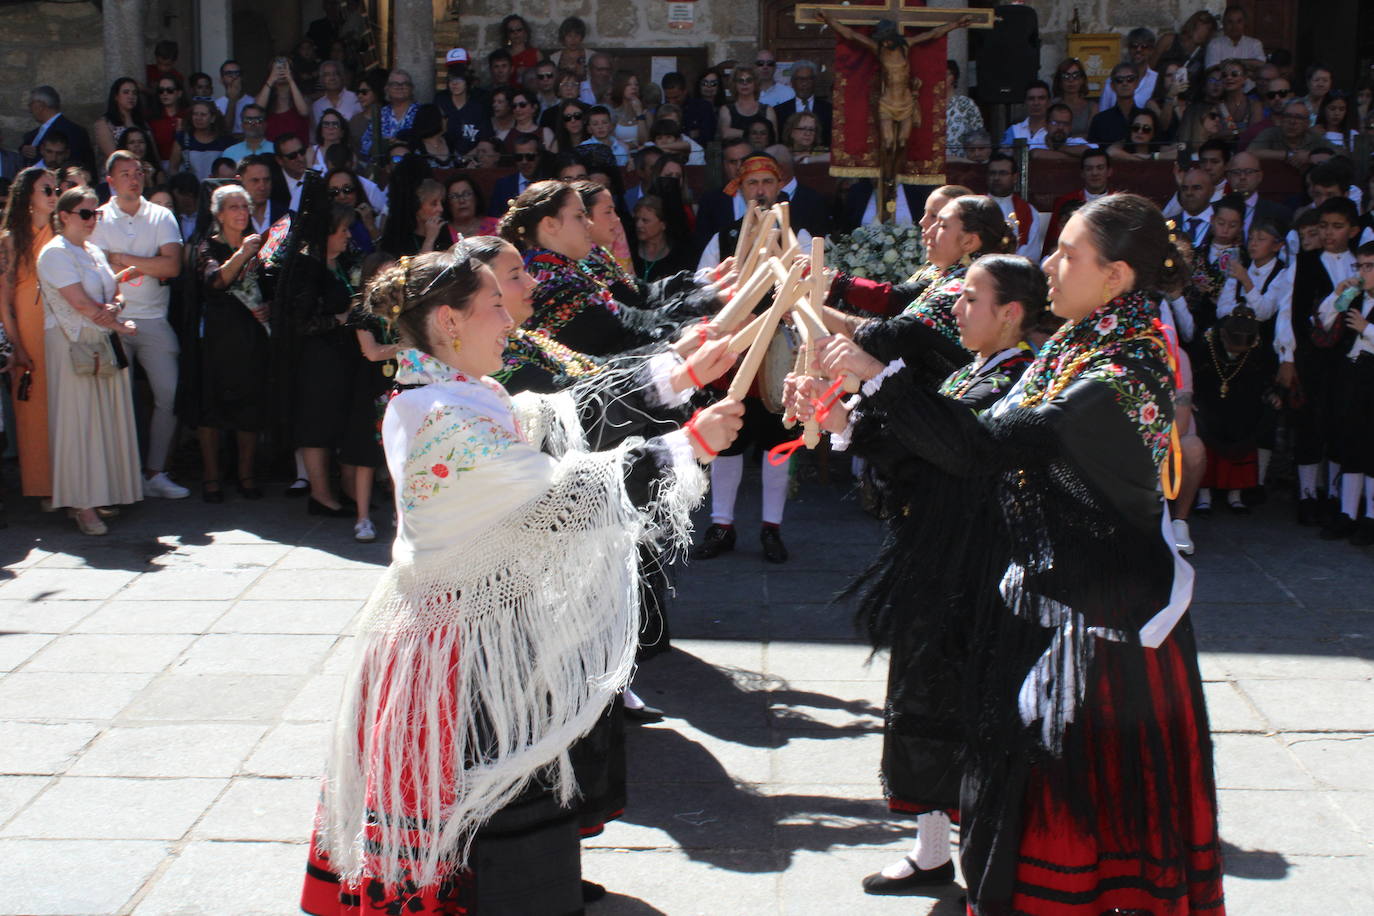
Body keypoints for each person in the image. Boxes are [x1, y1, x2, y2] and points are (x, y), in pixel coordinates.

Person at [300, 247, 742, 916]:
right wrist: (687, 446)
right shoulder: (441, 418)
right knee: (489, 821)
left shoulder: (455, 395)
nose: (511, 321)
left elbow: (556, 416)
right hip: (458, 661)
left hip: (476, 640)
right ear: (449, 321)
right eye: (495, 308)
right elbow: (561, 497)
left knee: (501, 818)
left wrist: (671, 377)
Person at [813, 193, 1221, 915]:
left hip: (1100, 630)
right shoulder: (1077, 344)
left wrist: (879, 376)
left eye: (1068, 254)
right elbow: (974, 433)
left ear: (1117, 277)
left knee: (1075, 831)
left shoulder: (1119, 372)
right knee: (1013, 812)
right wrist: (863, 403)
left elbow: (986, 449)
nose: (1050, 265)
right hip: (1046, 603)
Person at [799, 255, 1045, 895]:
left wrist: (876, 376)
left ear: (1011, 314)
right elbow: (919, 459)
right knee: (926, 701)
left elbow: (962, 452)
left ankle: (986, 859)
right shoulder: (974, 372)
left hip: (982, 571)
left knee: (965, 707)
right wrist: (843, 423)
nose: (955, 310)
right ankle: (931, 849)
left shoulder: (1023, 379)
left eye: (970, 300)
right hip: (942, 564)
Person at [36, 186, 143, 534]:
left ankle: (98, 495)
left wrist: (116, 308)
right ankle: (81, 504)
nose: (92, 220)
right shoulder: (54, 253)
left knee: (102, 421)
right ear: (63, 216)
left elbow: (113, 291)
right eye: (85, 213)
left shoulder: (94, 251)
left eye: (95, 213)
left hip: (100, 341)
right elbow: (79, 303)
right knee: (78, 423)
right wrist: (119, 324)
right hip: (72, 343)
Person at [89, 150, 189, 499]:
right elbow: (96, 273)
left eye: (138, 171)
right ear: (111, 181)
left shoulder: (161, 215)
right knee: (117, 401)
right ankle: (122, 476)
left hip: (153, 319)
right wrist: (149, 263)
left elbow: (172, 268)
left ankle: (155, 472)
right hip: (110, 320)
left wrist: (122, 259)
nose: (134, 178)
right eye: (126, 173)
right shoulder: (97, 217)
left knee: (169, 393)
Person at [185, 185, 270, 503]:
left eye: (244, 207)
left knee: (249, 406)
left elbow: (272, 287)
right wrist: (244, 252)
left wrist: (269, 306)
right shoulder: (208, 246)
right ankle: (211, 477)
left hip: (250, 337)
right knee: (212, 408)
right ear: (219, 214)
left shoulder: (261, 248)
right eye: (233, 207)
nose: (240, 213)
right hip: (217, 338)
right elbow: (215, 281)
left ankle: (246, 474)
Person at [1282, 197, 1361, 524]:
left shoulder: (1361, 264)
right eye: (1325, 226)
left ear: (1353, 230)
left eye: (1338, 227)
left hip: (1348, 359)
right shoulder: (1305, 261)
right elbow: (1290, 312)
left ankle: (1335, 496)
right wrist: (1287, 355)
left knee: (1341, 424)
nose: (1329, 233)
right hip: (1312, 356)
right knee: (1309, 424)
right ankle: (1307, 494)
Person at [0, 166, 58, 502]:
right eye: (46, 190)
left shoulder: (61, 232)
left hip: (59, 328)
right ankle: (42, 487)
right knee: (33, 411)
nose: (53, 196)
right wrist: (17, 345)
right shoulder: (10, 239)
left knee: (62, 409)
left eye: (55, 189)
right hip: (27, 330)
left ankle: (69, 483)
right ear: (28, 198)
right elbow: (4, 301)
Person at [1315, 240, 1374, 543]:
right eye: (1360, 266)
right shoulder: (1355, 297)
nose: (1363, 273)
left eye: (1370, 267)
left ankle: (1370, 518)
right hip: (1351, 378)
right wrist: (1338, 292)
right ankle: (1347, 513)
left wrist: (1367, 328)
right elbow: (1324, 321)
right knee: (1349, 444)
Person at [1042, 147, 1111, 257]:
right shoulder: (1065, 201)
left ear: (1109, 171)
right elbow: (1053, 241)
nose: (1095, 173)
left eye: (1100, 168)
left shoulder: (1118, 203)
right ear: (1082, 173)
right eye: (1089, 169)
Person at [21, 86, 94, 174]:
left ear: (40, 105)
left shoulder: (73, 131)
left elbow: (76, 164)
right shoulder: (34, 133)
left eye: (31, 104)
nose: (30, 110)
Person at [985, 153, 1042, 260]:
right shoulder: (975, 207)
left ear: (1015, 177)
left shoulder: (1028, 211)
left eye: (1003, 173)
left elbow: (1031, 251)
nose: (996, 178)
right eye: (992, 173)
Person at [631, 194, 696, 284]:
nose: (638, 225)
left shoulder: (680, 255)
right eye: (637, 219)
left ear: (663, 224)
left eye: (645, 220)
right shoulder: (629, 251)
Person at [435, 58, 492, 158]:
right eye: (451, 79)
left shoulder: (478, 107)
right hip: (443, 159)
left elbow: (485, 139)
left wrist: (464, 160)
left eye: (459, 79)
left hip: (471, 162)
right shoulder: (440, 102)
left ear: (467, 82)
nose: (454, 83)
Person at [93, 78, 151, 173]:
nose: (131, 96)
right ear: (116, 96)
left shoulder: (142, 123)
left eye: (134, 93)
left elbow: (152, 153)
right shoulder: (104, 124)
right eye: (126, 92)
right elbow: (114, 157)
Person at [169, 100, 233, 180]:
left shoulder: (225, 141)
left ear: (212, 118)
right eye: (195, 114)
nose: (198, 118)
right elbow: (173, 168)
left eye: (203, 115)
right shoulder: (182, 138)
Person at [772, 61, 832, 146]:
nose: (804, 83)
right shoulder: (779, 111)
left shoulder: (829, 110)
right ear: (792, 82)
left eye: (808, 79)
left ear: (815, 81)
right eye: (800, 79)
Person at [1098, 29, 1159, 110]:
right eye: (1134, 46)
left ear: (1151, 51)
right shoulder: (1114, 80)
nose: (1138, 50)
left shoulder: (1156, 80)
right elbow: (1103, 112)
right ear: (1129, 49)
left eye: (1144, 47)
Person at [255, 56, 311, 143]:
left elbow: (304, 111)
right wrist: (271, 79)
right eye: (277, 68)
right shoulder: (264, 96)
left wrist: (290, 80)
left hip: (297, 153)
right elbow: (257, 112)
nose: (281, 71)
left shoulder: (302, 97)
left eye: (285, 67)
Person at [1156, 10, 1217, 87]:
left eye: (1207, 28)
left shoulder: (1203, 52)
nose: (1202, 32)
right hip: (1161, 91)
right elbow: (1150, 67)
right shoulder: (1169, 40)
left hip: (1187, 95)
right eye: (1200, 25)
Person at [717, 65, 777, 143]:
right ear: (735, 84)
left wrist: (737, 133)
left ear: (755, 84)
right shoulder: (726, 109)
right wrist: (752, 134)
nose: (745, 84)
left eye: (749, 80)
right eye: (740, 81)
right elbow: (725, 134)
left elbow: (773, 138)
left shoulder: (768, 110)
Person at [488, 134, 545, 216]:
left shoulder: (548, 183)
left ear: (539, 157)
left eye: (530, 157)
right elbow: (493, 218)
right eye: (519, 157)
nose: (524, 162)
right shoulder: (502, 185)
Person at [1088, 63, 1143, 146]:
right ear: (1112, 86)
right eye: (1119, 80)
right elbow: (1093, 150)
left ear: (1137, 83)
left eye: (1130, 79)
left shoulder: (1147, 117)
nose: (1125, 83)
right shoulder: (1100, 120)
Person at [325, 167, 380, 250]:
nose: (342, 196)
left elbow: (383, 256)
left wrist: (371, 227)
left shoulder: (370, 218)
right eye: (334, 192)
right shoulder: (323, 226)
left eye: (347, 189)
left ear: (357, 190)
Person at [1206, 5, 1266, 70]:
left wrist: (1235, 61)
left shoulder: (1255, 43)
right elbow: (1211, 69)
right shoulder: (1214, 44)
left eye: (1239, 21)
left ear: (1245, 23)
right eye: (1230, 21)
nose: (1234, 26)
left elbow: (1262, 64)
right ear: (1224, 23)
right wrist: (1248, 64)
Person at [442, 173, 498, 242]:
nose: (461, 200)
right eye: (454, 196)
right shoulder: (442, 231)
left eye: (467, 194)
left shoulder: (497, 226)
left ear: (476, 198)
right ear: (447, 203)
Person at [148, 75, 188, 169]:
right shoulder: (152, 119)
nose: (165, 94)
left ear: (179, 93)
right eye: (161, 91)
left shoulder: (188, 116)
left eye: (169, 90)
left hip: (186, 165)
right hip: (160, 167)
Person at [1217, 59, 1263, 140]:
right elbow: (1214, 134)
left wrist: (1230, 132)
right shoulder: (1216, 105)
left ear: (1245, 78)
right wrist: (1242, 131)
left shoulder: (1254, 105)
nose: (1229, 77)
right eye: (1224, 75)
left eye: (1234, 74)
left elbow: (1254, 132)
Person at [1000, 81, 1052, 150]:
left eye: (1041, 98)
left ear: (1049, 102)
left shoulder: (1056, 130)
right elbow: (1002, 156)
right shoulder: (1014, 130)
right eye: (1031, 98)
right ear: (1025, 102)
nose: (1036, 103)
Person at [1050, 58, 1093, 138]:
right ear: (1059, 81)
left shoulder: (1092, 108)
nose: (1071, 80)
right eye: (1066, 76)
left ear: (1082, 80)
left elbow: (1092, 136)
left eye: (1076, 75)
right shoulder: (1051, 106)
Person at [608, 71, 649, 152]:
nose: (634, 87)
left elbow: (644, 141)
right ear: (620, 87)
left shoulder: (646, 114)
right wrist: (632, 144)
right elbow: (611, 142)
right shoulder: (613, 114)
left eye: (636, 84)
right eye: (628, 84)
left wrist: (639, 113)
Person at [213, 59, 253, 135]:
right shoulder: (216, 105)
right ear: (222, 79)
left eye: (237, 73)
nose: (234, 77)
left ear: (242, 77)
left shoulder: (253, 102)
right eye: (228, 73)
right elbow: (225, 131)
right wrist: (232, 99)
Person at [276, 134, 312, 211]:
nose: (300, 159)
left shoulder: (317, 181)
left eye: (302, 152)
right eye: (292, 156)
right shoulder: (272, 186)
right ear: (280, 160)